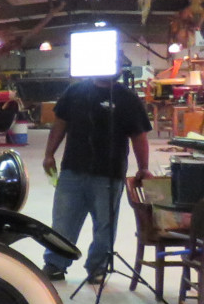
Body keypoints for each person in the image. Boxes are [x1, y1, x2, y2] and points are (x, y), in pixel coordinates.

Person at [41, 69, 151, 284]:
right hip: (72, 169)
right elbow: (60, 124)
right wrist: (49, 154)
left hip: (108, 174)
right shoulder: (75, 91)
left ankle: (97, 268)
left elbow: (139, 135)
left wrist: (143, 167)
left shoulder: (126, 98)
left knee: (104, 226)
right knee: (63, 222)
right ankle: (55, 265)